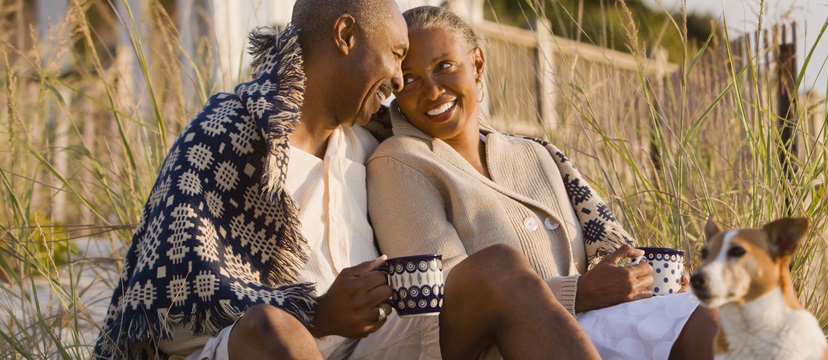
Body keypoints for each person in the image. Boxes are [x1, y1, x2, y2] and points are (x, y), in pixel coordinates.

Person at [93, 1, 601, 359]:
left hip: (367, 351)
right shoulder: (231, 133)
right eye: (397, 55)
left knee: (498, 272)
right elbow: (170, 311)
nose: (402, 81)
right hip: (255, 349)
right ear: (345, 36)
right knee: (274, 331)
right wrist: (315, 314)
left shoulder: (364, 146)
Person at [367, 6, 719, 360]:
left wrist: (640, 281)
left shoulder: (536, 154)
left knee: (710, 313)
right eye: (409, 79)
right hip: (510, 345)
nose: (431, 90)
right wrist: (578, 292)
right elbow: (451, 297)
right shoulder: (400, 162)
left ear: (477, 64)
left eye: (445, 66)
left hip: (594, 325)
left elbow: (598, 260)